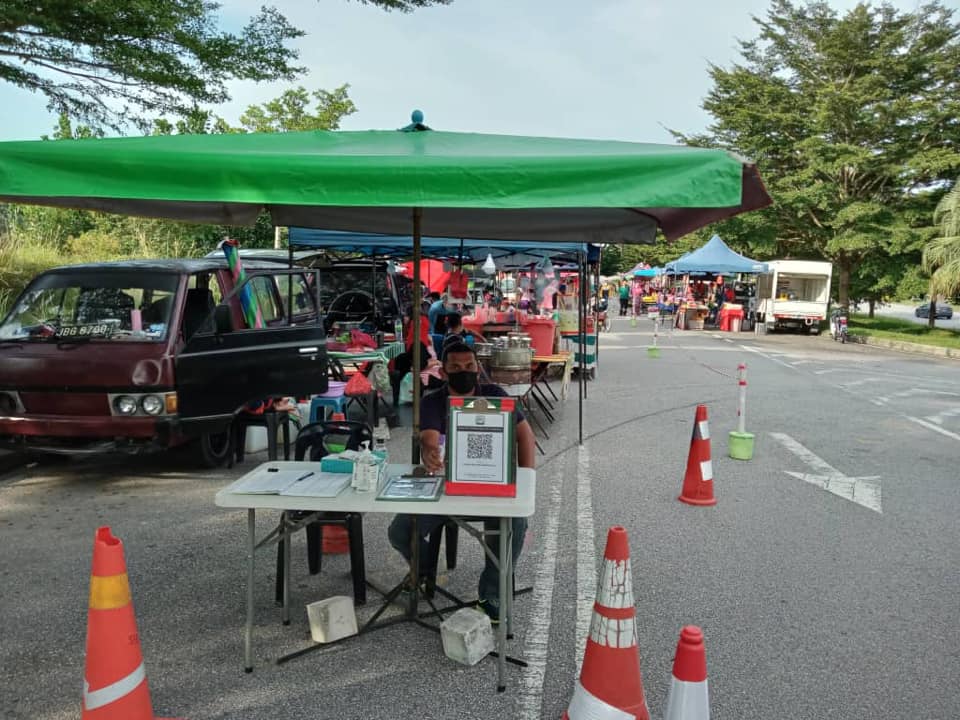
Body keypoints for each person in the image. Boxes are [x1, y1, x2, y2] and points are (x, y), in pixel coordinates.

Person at [387, 342, 536, 623]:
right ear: (443, 372)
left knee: (514, 523)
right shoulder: (433, 400)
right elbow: (429, 439)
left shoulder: (494, 394)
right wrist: (430, 454)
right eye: (455, 367)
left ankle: (491, 596)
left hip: (492, 489)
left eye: (469, 366)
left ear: (478, 369)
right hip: (446, 491)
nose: (463, 371)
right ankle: (422, 569)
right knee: (400, 531)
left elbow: (525, 435)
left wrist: (527, 478)